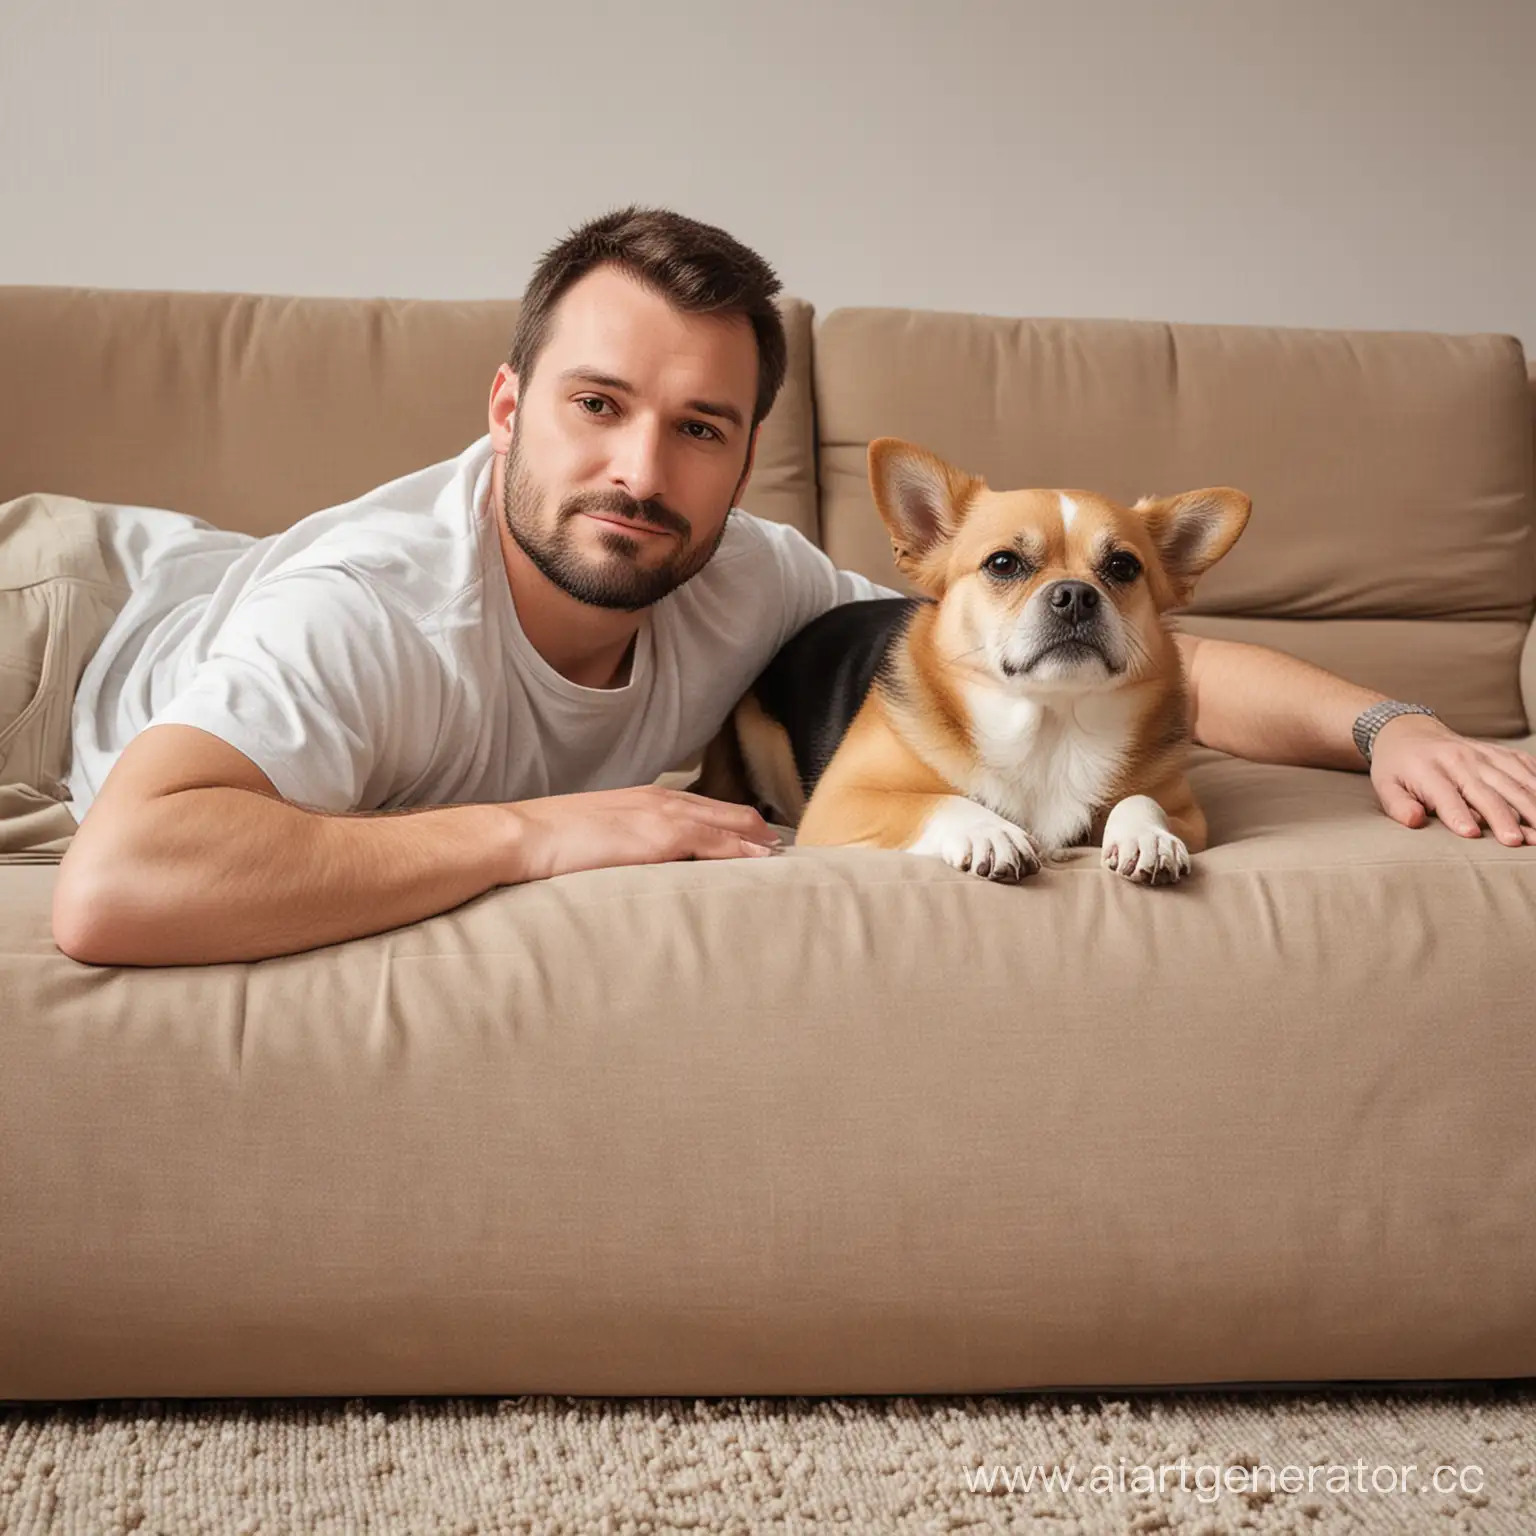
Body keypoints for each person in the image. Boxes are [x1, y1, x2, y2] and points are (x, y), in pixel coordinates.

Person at [1, 206, 1530, 968]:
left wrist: (1387, 726)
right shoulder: (371, 614)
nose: (642, 472)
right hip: (63, 619)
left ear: (743, 464)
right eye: (598, 404)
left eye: (699, 428)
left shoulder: (746, 580)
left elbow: (1104, 652)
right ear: (506, 408)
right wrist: (545, 834)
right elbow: (117, 886)